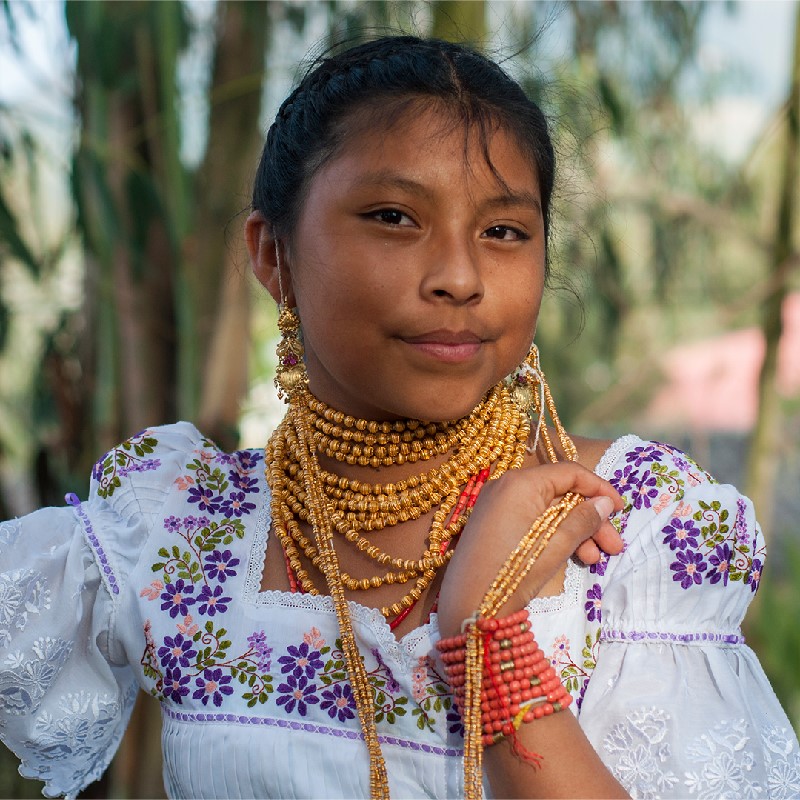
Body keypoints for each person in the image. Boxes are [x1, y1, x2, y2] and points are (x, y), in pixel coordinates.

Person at [0, 34, 798, 800]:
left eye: (503, 231)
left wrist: (490, 636)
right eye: (393, 217)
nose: (459, 275)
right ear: (273, 256)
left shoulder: (630, 523)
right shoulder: (175, 527)